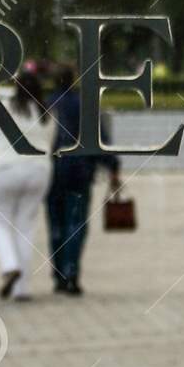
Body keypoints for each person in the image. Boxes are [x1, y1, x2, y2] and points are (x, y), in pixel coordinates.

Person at [0, 70, 53, 301]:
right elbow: (51, 140)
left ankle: (9, 265)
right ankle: (23, 289)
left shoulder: (1, 109)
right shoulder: (47, 112)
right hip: (39, 171)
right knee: (25, 226)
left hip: (3, 169)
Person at [46, 67, 120, 295]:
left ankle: (58, 274)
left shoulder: (47, 105)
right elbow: (100, 140)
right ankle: (72, 272)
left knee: (56, 224)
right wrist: (113, 168)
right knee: (76, 224)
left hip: (51, 173)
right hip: (79, 171)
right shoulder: (85, 105)